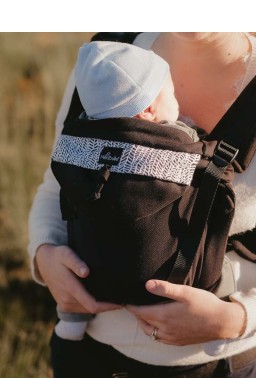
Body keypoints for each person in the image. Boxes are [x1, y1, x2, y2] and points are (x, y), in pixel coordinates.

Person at [28, 32, 256, 378]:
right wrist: (43, 254)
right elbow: (57, 186)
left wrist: (238, 318)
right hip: (91, 356)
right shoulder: (106, 62)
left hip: (222, 370)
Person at [54, 40, 200, 341]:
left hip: (89, 274)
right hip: (159, 280)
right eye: (170, 94)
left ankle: (71, 319)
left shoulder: (81, 135)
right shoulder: (175, 141)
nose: (176, 102)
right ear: (148, 110)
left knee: (87, 248)